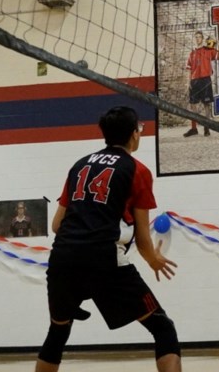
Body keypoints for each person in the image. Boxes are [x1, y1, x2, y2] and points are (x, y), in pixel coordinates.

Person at [36, 106, 180, 372]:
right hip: (104, 260)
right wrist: (154, 260)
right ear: (134, 134)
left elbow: (57, 224)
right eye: (140, 129)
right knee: (162, 327)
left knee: (57, 333)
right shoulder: (137, 170)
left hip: (62, 259)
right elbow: (144, 239)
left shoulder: (79, 165)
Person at [184, 31, 219, 138]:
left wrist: (218, 43)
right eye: (196, 37)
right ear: (195, 39)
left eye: (199, 37)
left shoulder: (208, 50)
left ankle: (206, 128)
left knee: (206, 104)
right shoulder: (192, 53)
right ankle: (194, 128)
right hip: (194, 81)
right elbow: (189, 69)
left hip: (205, 80)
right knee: (193, 104)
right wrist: (188, 82)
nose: (198, 39)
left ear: (202, 39)